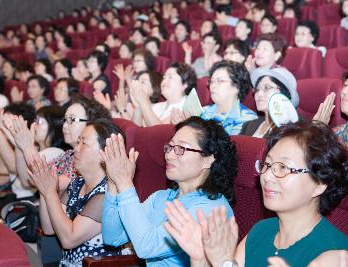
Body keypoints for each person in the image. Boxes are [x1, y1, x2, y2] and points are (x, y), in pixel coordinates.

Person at [165, 121, 348, 267]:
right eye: (267, 165)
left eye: (282, 168)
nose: (267, 176)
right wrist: (199, 258)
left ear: (319, 184)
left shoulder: (334, 255)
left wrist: (223, 263)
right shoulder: (261, 230)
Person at [102, 116, 238, 266]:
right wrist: (113, 181)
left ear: (207, 159)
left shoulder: (210, 209)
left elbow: (146, 247)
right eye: (170, 147)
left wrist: (125, 182)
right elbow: (113, 237)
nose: (169, 155)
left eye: (181, 149)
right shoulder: (162, 197)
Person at [28, 119, 122, 266]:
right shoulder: (77, 183)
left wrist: (50, 193)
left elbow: (69, 239)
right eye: (77, 142)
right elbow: (49, 228)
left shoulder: (107, 194)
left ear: (105, 152)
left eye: (83, 143)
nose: (76, 149)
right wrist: (44, 187)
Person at [130, 63, 196, 126]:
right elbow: (137, 130)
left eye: (170, 77)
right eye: (164, 77)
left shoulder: (187, 106)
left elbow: (158, 132)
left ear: (184, 85)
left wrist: (143, 101)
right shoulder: (158, 106)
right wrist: (138, 107)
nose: (164, 81)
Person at [240, 67, 299, 138]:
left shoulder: (291, 130)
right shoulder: (248, 125)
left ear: (284, 93)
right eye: (257, 90)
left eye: (267, 88)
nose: (259, 94)